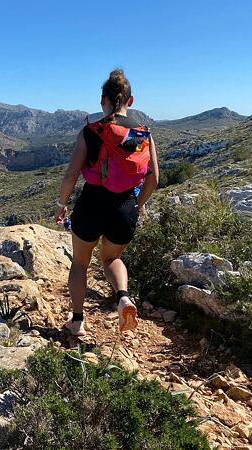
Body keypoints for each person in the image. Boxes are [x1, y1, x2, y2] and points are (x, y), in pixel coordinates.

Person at [55, 68, 159, 336]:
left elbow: (71, 174)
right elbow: (153, 179)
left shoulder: (91, 132)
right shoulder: (142, 134)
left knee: (80, 262)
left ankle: (77, 321)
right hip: (124, 206)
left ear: (103, 100)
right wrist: (139, 203)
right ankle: (123, 297)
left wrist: (62, 203)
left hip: (91, 203)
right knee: (112, 258)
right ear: (130, 101)